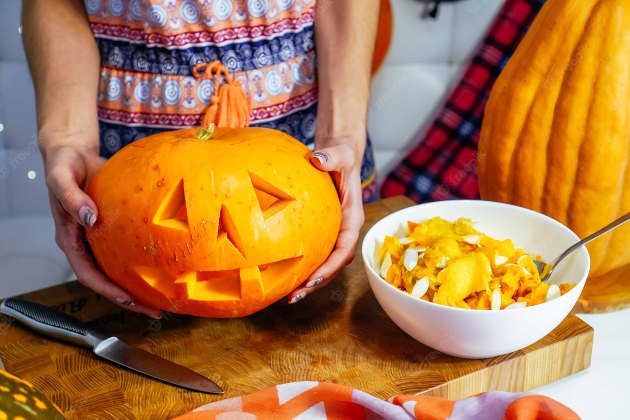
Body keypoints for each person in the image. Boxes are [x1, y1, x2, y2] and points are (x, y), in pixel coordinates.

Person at [23, 0, 380, 319]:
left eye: (266, 202)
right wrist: (67, 137)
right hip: (129, 178)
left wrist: (343, 132)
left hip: (311, 152)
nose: (227, 240)